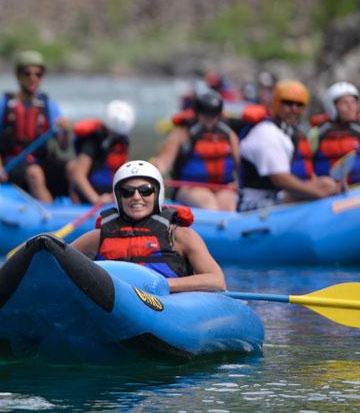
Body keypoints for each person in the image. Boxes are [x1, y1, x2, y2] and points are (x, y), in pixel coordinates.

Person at [70, 161, 226, 293]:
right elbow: (58, 260)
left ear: (157, 194)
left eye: (145, 191)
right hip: (113, 304)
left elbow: (217, 281)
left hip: (165, 304)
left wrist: (165, 284)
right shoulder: (98, 237)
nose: (136, 197)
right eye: (127, 192)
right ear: (118, 197)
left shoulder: (180, 235)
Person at [0, 50, 72, 202]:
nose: (33, 78)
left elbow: (63, 146)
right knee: (34, 173)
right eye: (27, 73)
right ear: (18, 76)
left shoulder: (48, 104)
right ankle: (50, 216)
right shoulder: (4, 104)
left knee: (72, 168)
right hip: (13, 164)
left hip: (42, 160)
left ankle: (78, 208)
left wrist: (66, 131)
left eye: (38, 74)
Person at [236, 80, 340, 212]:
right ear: (276, 104)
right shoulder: (266, 133)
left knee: (326, 183)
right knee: (322, 189)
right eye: (288, 103)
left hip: (276, 196)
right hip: (254, 203)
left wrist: (329, 188)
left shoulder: (290, 134)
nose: (294, 109)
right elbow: (280, 179)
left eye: (299, 105)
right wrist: (319, 194)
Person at [154, 92, 240, 211]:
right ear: (197, 114)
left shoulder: (229, 135)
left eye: (214, 115)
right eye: (206, 115)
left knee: (228, 208)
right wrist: (156, 168)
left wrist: (237, 183)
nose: (210, 119)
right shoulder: (181, 133)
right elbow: (164, 162)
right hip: (190, 188)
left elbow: (239, 164)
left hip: (222, 187)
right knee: (209, 205)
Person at [65, 100, 134, 205]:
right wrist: (96, 199)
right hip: (94, 193)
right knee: (71, 167)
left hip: (110, 191)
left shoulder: (121, 139)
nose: (116, 136)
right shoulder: (92, 140)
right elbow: (78, 174)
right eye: (114, 133)